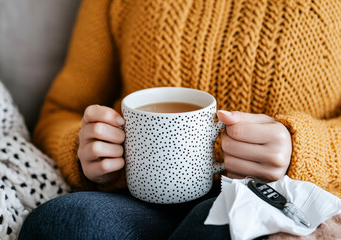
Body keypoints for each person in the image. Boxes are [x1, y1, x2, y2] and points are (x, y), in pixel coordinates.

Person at [18, 0, 341, 239]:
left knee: (222, 224)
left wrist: (301, 148)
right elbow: (61, 110)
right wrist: (86, 147)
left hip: (277, 199)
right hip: (139, 202)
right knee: (63, 224)